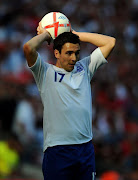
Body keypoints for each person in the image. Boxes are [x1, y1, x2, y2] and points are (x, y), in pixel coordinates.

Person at [23, 21, 116, 180]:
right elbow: (28, 48)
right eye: (68, 53)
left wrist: (75, 34)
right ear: (57, 53)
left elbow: (110, 42)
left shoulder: (85, 68)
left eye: (76, 53)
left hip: (85, 149)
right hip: (58, 151)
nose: (74, 58)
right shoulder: (45, 72)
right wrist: (48, 34)